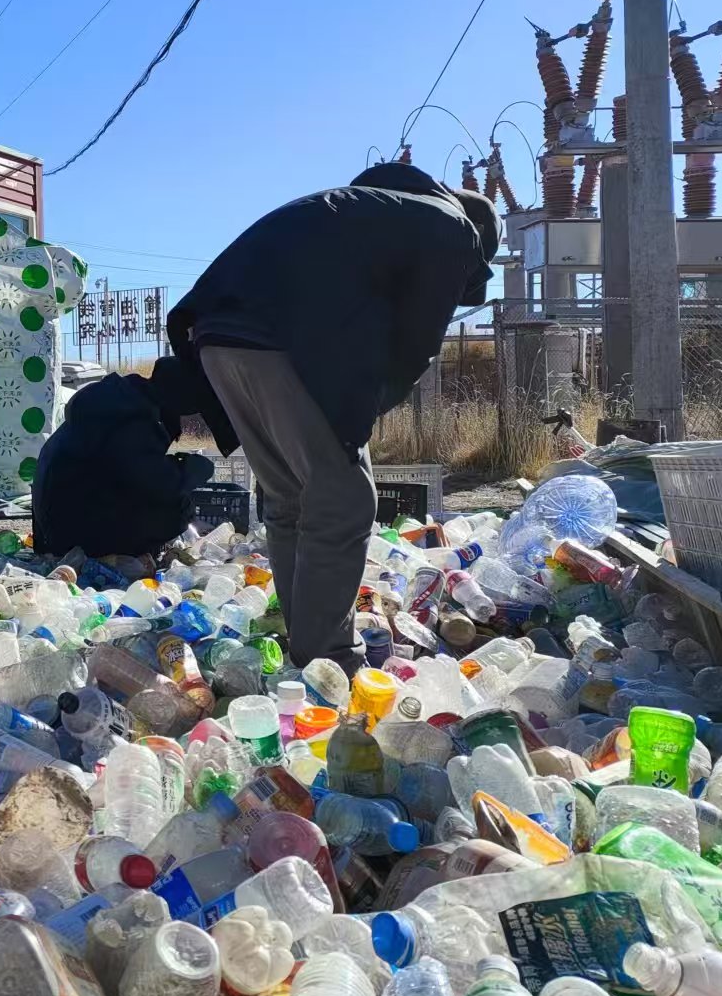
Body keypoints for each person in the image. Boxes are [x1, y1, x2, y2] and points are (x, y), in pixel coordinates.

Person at [167, 162, 499, 673]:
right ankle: (327, 659)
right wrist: (356, 418)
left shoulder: (368, 211)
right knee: (344, 501)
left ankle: (306, 641)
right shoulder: (450, 227)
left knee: (289, 498)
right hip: (285, 339)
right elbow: (415, 346)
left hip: (215, 334)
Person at [32, 356, 215, 558]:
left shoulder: (118, 404)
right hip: (72, 537)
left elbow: (129, 469)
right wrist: (194, 469)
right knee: (177, 510)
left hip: (53, 529)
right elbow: (155, 483)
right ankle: (117, 554)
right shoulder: (132, 418)